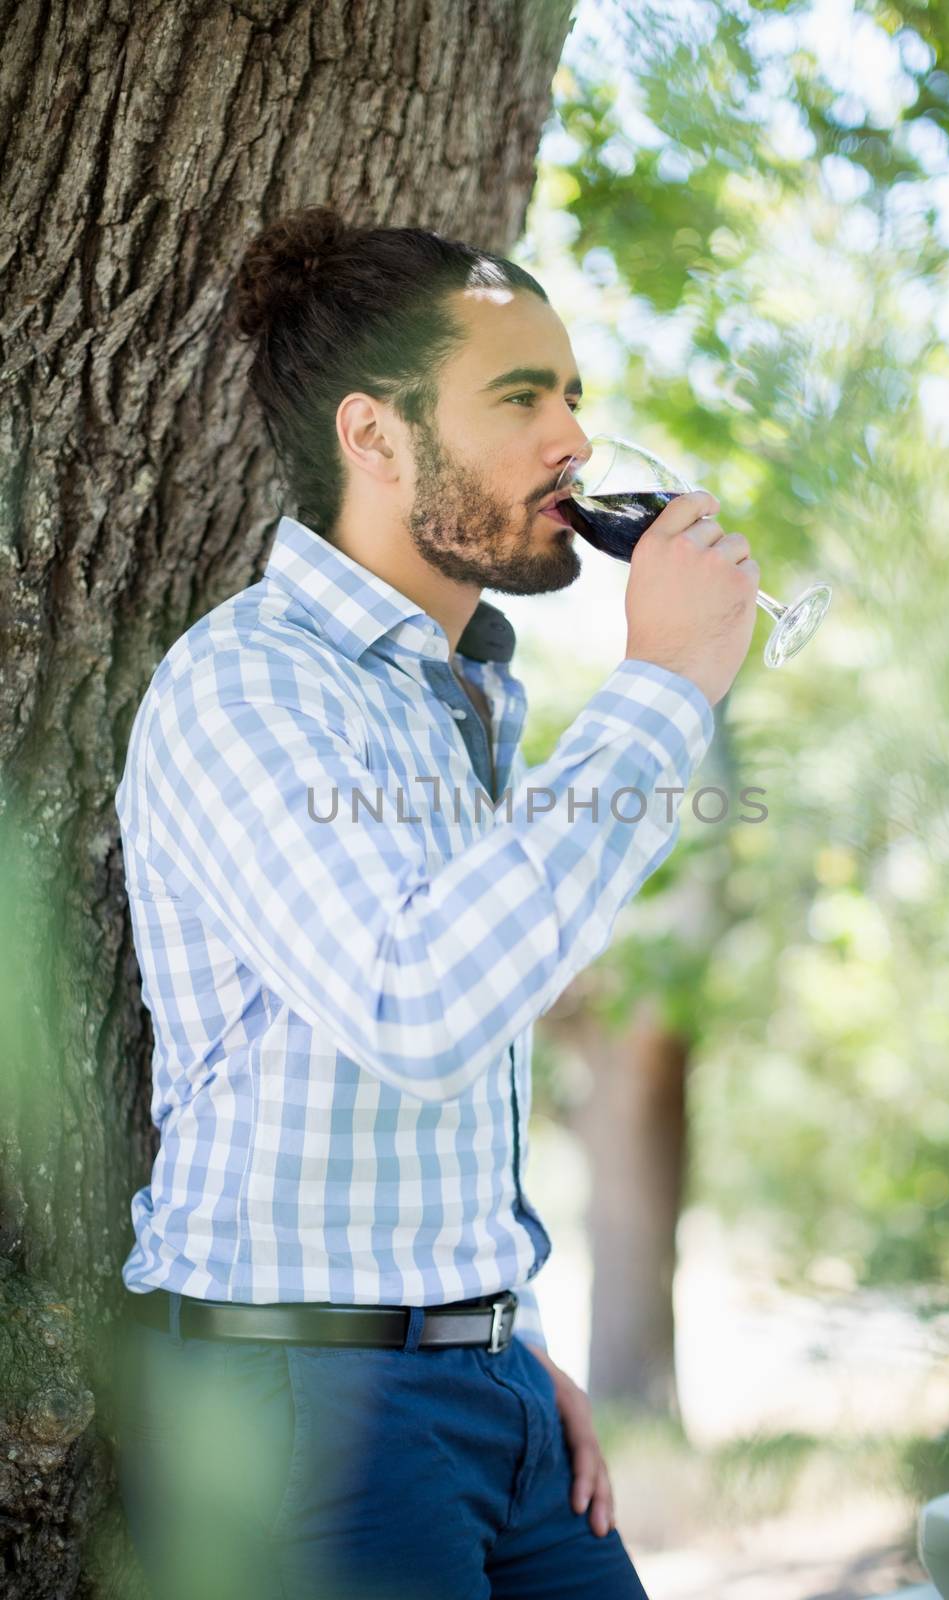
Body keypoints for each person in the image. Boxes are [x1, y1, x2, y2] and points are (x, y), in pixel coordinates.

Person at [111, 204, 759, 1600]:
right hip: (303, 1416)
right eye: (520, 398)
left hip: (489, 1394)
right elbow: (417, 1008)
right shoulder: (249, 690)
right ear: (376, 435)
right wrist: (664, 693)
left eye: (572, 395)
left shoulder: (469, 695)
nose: (572, 440)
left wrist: (499, 1336)